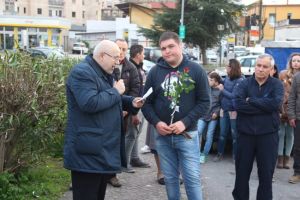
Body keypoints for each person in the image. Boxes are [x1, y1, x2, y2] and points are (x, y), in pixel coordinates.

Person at [63, 40, 144, 200]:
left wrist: (131, 102)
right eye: (115, 57)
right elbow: (89, 102)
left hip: (99, 149)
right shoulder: (82, 72)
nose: (118, 62)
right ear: (101, 55)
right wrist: (116, 91)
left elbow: (108, 97)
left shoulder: (103, 72)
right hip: (87, 151)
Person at [142, 31, 210, 200]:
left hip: (187, 135)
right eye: (163, 48)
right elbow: (146, 103)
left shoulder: (196, 70)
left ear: (180, 46)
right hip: (163, 137)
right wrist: (156, 123)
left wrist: (185, 122)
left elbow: (205, 102)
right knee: (170, 179)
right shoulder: (155, 72)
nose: (167, 51)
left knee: (192, 179)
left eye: (171, 46)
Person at [232, 54, 284, 200]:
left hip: (268, 135)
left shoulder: (276, 85)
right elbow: (238, 105)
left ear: (271, 69)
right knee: (241, 174)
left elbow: (275, 104)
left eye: (265, 67)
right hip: (245, 135)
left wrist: (252, 100)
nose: (260, 69)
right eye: (258, 65)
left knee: (266, 176)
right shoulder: (244, 83)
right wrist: (264, 105)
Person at [108, 39, 142, 187]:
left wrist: (127, 110)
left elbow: (135, 89)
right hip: (107, 110)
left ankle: (113, 174)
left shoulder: (131, 68)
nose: (121, 52)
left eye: (124, 49)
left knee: (118, 143)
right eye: (119, 48)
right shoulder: (108, 65)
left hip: (124, 113)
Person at [214, 59, 244, 162]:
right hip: (224, 110)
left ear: (232, 67)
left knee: (235, 135)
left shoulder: (240, 80)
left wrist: (222, 90)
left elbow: (234, 96)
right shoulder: (227, 77)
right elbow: (222, 84)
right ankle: (219, 153)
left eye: (227, 66)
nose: (226, 68)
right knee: (222, 134)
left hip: (233, 111)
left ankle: (235, 156)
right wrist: (216, 78)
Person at [128, 44, 150, 168]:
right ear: (137, 55)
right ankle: (126, 162)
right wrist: (134, 112)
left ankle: (134, 158)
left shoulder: (139, 67)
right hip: (134, 106)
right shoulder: (131, 68)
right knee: (131, 134)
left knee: (136, 133)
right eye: (143, 53)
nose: (144, 56)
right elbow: (133, 90)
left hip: (140, 105)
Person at [277, 53, 300, 169]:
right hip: (283, 108)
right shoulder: (283, 74)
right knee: (281, 133)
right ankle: (279, 159)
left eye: (298, 61)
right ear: (290, 62)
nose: (295, 63)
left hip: (295, 109)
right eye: (293, 61)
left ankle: (287, 159)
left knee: (291, 134)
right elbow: (279, 91)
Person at [198, 71, 222, 164]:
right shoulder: (207, 88)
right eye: (208, 79)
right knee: (198, 132)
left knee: (209, 135)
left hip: (213, 117)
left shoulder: (220, 91)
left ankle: (204, 154)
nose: (209, 81)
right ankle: (196, 152)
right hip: (203, 115)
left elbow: (221, 104)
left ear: (216, 81)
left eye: (211, 80)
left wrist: (217, 112)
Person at [287, 55, 300, 184]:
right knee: (298, 147)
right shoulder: (297, 77)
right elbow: (292, 98)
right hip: (298, 117)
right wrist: (291, 115)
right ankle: (297, 173)